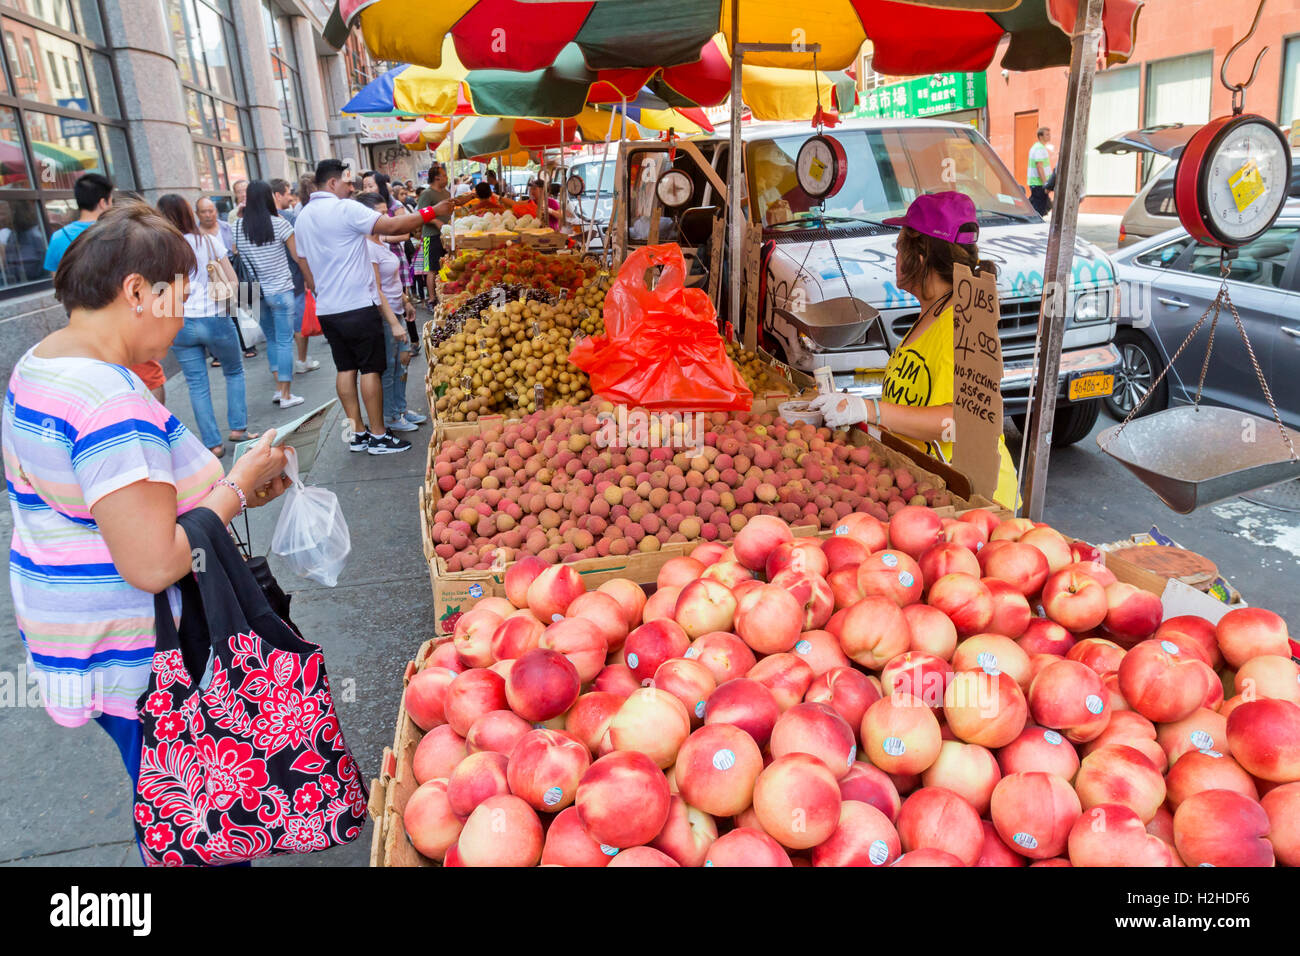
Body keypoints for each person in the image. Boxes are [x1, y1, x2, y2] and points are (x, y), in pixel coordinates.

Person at [2, 204, 288, 828]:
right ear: (137, 291)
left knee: (164, 794)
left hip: (74, 636)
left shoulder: (40, 366)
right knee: (190, 814)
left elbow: (88, 501)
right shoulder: (109, 403)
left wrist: (222, 493)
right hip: (141, 655)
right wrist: (236, 486)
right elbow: (153, 562)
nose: (185, 315)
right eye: (180, 298)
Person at [810, 192, 1019, 510]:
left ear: (919, 257)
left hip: (977, 499)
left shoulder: (964, 320)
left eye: (898, 249)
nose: (895, 259)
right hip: (931, 488)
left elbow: (964, 420)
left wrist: (871, 410)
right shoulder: (931, 313)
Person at [292, 158, 452, 455]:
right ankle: (378, 436)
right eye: (347, 182)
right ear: (332, 183)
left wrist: (318, 287)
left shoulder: (302, 216)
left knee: (345, 368)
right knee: (370, 370)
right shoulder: (344, 208)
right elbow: (392, 224)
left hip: (327, 307)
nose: (352, 187)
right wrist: (432, 211)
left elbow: (302, 261)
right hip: (357, 305)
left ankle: (358, 433)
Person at [157, 194, 259, 458]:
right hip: (214, 316)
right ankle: (238, 428)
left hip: (179, 321)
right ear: (189, 213)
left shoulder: (160, 249)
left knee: (196, 384)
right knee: (234, 371)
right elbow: (233, 280)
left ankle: (212, 444)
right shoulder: (208, 242)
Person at [234, 180, 314, 409]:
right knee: (284, 341)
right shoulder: (279, 225)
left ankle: (279, 389)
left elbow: (235, 254)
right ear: (269, 199)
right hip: (280, 289)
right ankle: (286, 394)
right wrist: (310, 281)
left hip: (254, 291)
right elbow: (298, 256)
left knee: (271, 339)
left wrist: (241, 216)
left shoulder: (238, 227)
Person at [357, 192, 424, 433]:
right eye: (380, 213)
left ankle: (401, 409)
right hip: (384, 316)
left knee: (403, 362)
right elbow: (376, 288)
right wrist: (393, 322)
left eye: (386, 211)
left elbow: (392, 280)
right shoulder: (366, 247)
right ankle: (391, 416)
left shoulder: (381, 241)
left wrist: (406, 301)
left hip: (396, 311)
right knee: (390, 365)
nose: (386, 217)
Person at [272, 177, 320, 373]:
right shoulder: (287, 219)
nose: (290, 197)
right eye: (287, 193)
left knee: (276, 332)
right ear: (278, 195)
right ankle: (300, 362)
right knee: (299, 323)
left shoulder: (242, 224)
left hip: (263, 286)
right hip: (292, 280)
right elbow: (299, 254)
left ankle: (278, 374)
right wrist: (309, 278)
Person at [415, 164, 450, 308]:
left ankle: (443, 293)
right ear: (437, 178)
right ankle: (431, 299)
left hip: (446, 236)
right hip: (432, 236)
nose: (447, 178)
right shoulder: (427, 194)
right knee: (432, 268)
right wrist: (435, 221)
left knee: (445, 266)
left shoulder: (446, 193)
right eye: (445, 175)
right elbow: (421, 214)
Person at [1027, 127, 1053, 216]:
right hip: (1039, 184)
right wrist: (1045, 183)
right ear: (1040, 136)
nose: (1049, 136)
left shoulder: (1038, 147)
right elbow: (1039, 167)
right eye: (1047, 134)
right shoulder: (1039, 149)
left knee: (1037, 206)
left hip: (1037, 184)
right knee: (1039, 210)